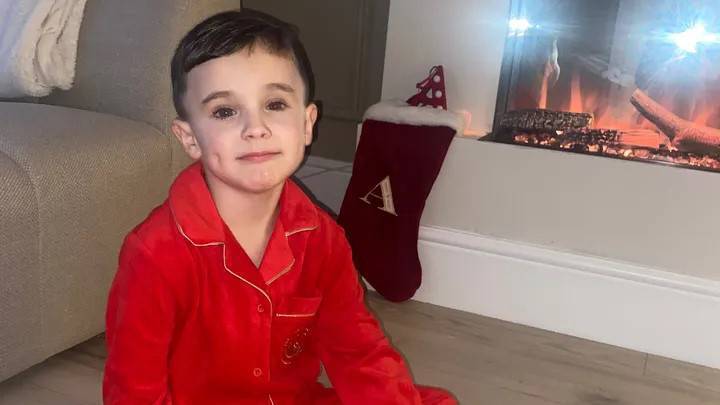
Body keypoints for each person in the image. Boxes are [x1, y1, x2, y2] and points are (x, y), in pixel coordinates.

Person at [103, 9, 457, 405]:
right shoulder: (154, 254)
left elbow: (358, 352)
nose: (255, 128)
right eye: (224, 111)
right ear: (189, 138)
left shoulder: (323, 239)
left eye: (274, 104)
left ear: (307, 123)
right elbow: (133, 391)